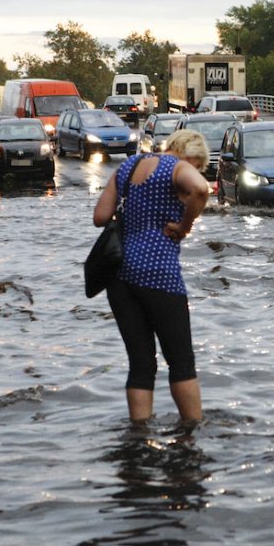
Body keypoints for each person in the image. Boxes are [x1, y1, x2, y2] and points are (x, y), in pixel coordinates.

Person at [93, 129, 210, 423]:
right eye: (199, 166)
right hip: (159, 273)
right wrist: (185, 225)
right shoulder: (177, 167)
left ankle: (140, 434)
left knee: (141, 363)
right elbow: (201, 190)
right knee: (181, 361)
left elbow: (100, 217)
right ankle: (192, 433)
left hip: (119, 277)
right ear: (192, 156)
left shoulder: (127, 167)